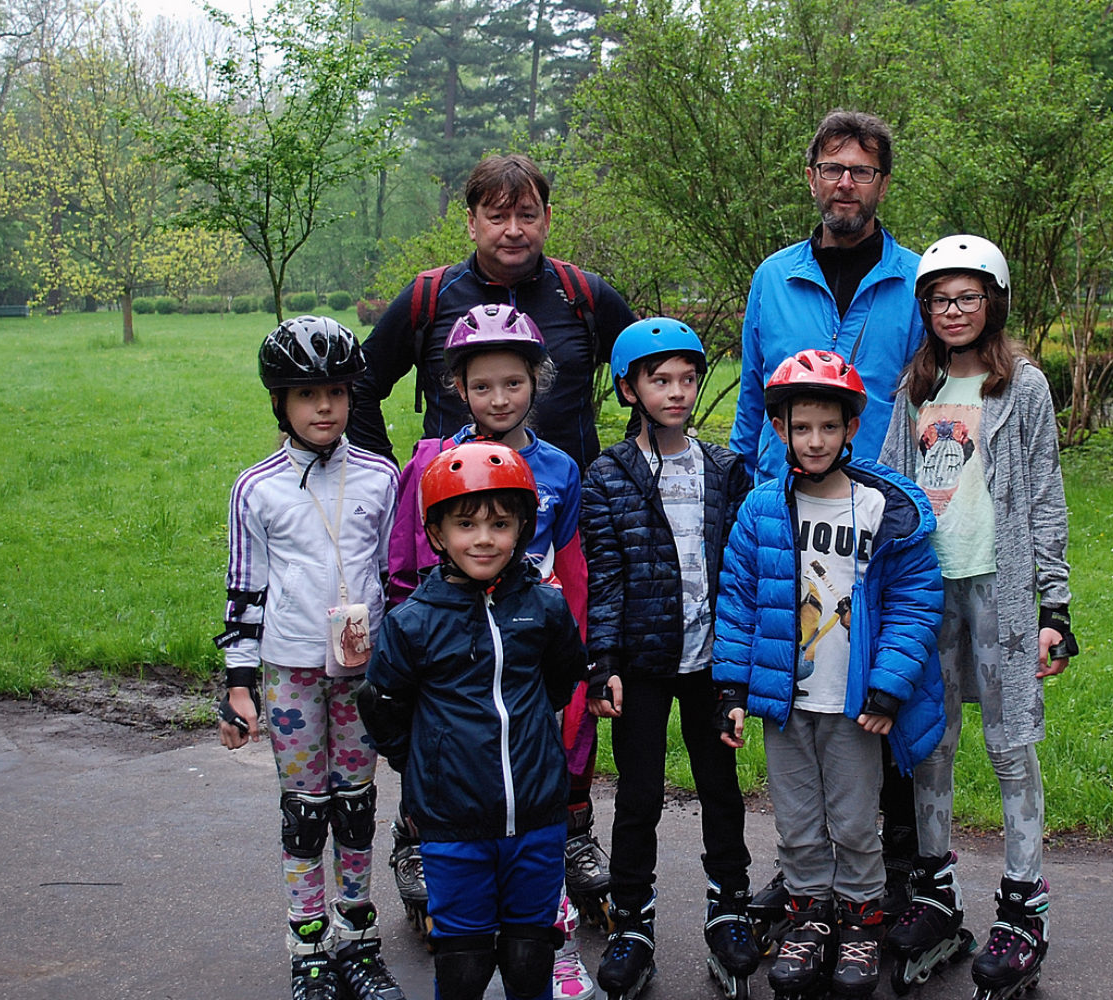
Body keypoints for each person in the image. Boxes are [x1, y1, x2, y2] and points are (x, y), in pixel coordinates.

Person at [877, 236, 1077, 1000]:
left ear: (992, 302)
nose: (952, 312)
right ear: (924, 308)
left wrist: (1055, 603)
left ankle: (1024, 902)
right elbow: (895, 487)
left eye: (966, 298)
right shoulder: (916, 383)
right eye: (939, 299)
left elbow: (1046, 492)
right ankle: (935, 889)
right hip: (929, 589)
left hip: (999, 584)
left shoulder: (1021, 385)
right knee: (932, 742)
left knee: (1008, 741)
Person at [382, 303, 601, 997]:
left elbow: (571, 587)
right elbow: (388, 682)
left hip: (528, 660)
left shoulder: (560, 470)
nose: (499, 398)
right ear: (458, 388)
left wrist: (549, 723)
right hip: (453, 750)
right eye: (483, 385)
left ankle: (552, 942)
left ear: (538, 384)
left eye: (514, 383)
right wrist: (419, 755)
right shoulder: (433, 466)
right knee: (467, 957)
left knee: (530, 941)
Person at [713, 349, 945, 1000]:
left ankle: (862, 920)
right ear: (780, 430)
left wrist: (889, 685)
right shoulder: (762, 508)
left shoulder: (878, 508)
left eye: (827, 426)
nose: (814, 440)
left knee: (851, 821)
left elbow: (916, 600)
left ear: (849, 428)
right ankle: (809, 918)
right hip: (786, 703)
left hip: (852, 705)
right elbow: (737, 600)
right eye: (800, 427)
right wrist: (731, 689)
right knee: (797, 823)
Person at [215, 317, 406, 1000]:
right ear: (280, 404)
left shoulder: (382, 477)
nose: (323, 407)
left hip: (364, 675)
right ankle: (309, 947)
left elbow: (395, 575)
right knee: (305, 809)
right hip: (290, 672)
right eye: (305, 395)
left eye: (334, 392)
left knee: (356, 806)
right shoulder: (257, 488)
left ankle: (358, 940)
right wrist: (238, 684)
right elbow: (245, 589)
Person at [358, 443, 587, 1000]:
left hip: (537, 814)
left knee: (530, 953)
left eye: (500, 524)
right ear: (436, 534)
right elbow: (382, 702)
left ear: (523, 528)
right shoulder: (413, 624)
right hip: (452, 823)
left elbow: (561, 679)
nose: (483, 539)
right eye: (465, 524)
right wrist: (422, 761)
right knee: (463, 961)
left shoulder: (544, 608)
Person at [579, 318, 757, 1000]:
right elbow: (606, 577)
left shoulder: (721, 469)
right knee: (641, 795)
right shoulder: (609, 475)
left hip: (712, 661)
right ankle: (632, 922)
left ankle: (730, 906)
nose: (677, 392)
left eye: (687, 379)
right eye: (660, 380)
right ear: (629, 389)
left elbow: (738, 574)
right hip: (643, 664)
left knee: (720, 787)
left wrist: (737, 669)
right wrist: (604, 662)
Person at [351, 153, 638, 473]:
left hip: (569, 509)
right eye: (498, 217)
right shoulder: (429, 296)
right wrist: (382, 469)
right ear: (473, 224)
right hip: (456, 509)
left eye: (527, 216)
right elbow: (358, 385)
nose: (513, 230)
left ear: (547, 220)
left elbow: (653, 375)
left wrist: (627, 468)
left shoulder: (584, 294)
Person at [728, 110, 925, 483]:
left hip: (878, 499)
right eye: (832, 169)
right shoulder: (773, 278)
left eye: (862, 172)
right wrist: (737, 493)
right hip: (780, 500)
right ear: (812, 180)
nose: (846, 183)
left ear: (883, 186)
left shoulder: (918, 283)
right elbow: (752, 400)